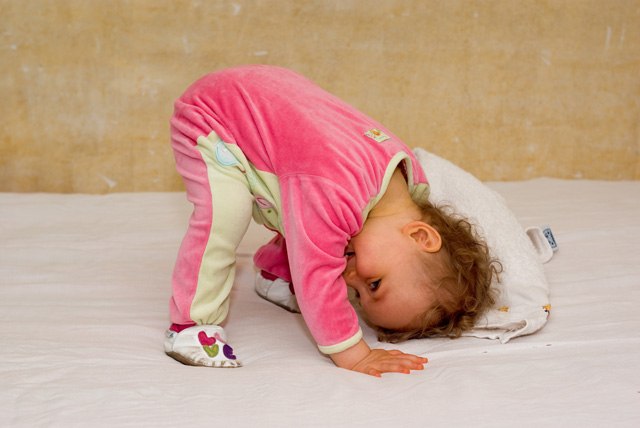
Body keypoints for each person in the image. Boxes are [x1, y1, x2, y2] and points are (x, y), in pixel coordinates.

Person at [163, 65, 499, 377]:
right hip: (215, 119)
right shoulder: (338, 191)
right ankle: (190, 325)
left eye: (356, 293)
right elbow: (318, 273)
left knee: (310, 214)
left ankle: (275, 272)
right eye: (374, 284)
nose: (349, 278)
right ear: (421, 236)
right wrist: (354, 353)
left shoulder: (406, 183)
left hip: (264, 100)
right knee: (227, 214)